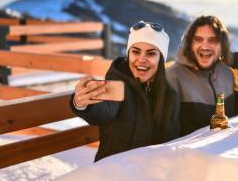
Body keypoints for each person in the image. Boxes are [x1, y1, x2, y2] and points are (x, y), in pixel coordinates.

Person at [71, 21, 180, 161]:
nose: (141, 59)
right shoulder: (117, 82)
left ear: (161, 59)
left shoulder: (169, 95)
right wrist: (81, 103)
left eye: (151, 53)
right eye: (136, 51)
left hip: (152, 173)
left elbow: (172, 138)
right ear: (129, 54)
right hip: (112, 171)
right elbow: (102, 111)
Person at [166, 15, 235, 135]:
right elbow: (168, 133)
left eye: (212, 40)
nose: (204, 46)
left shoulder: (227, 74)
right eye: (198, 40)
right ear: (189, 44)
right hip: (188, 153)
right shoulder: (173, 77)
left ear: (222, 45)